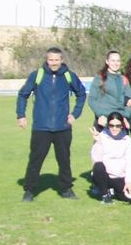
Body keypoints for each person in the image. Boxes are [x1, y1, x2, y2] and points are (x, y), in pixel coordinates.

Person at [15, 47, 88, 201]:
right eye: (51, 60)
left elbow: (81, 93)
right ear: (46, 60)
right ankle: (29, 190)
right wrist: (21, 115)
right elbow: (23, 95)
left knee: (64, 159)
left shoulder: (69, 76)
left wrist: (75, 114)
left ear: (62, 60)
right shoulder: (37, 75)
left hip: (63, 127)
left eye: (56, 60)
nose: (54, 63)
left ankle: (66, 189)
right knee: (36, 159)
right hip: (41, 127)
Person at [89, 113, 131, 202]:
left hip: (119, 176)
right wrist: (97, 142)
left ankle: (111, 191)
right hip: (105, 175)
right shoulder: (102, 136)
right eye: (111, 125)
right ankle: (105, 195)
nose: (114, 128)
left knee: (128, 198)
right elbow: (96, 159)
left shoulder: (127, 140)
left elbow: (130, 162)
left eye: (118, 126)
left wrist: (129, 182)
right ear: (108, 125)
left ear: (122, 126)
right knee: (98, 166)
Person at [88, 50, 131, 130]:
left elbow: (129, 101)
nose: (116, 63)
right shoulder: (100, 77)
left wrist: (125, 117)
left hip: (119, 121)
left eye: (118, 61)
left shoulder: (124, 79)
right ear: (107, 61)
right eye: (113, 60)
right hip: (103, 121)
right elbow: (92, 99)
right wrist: (100, 115)